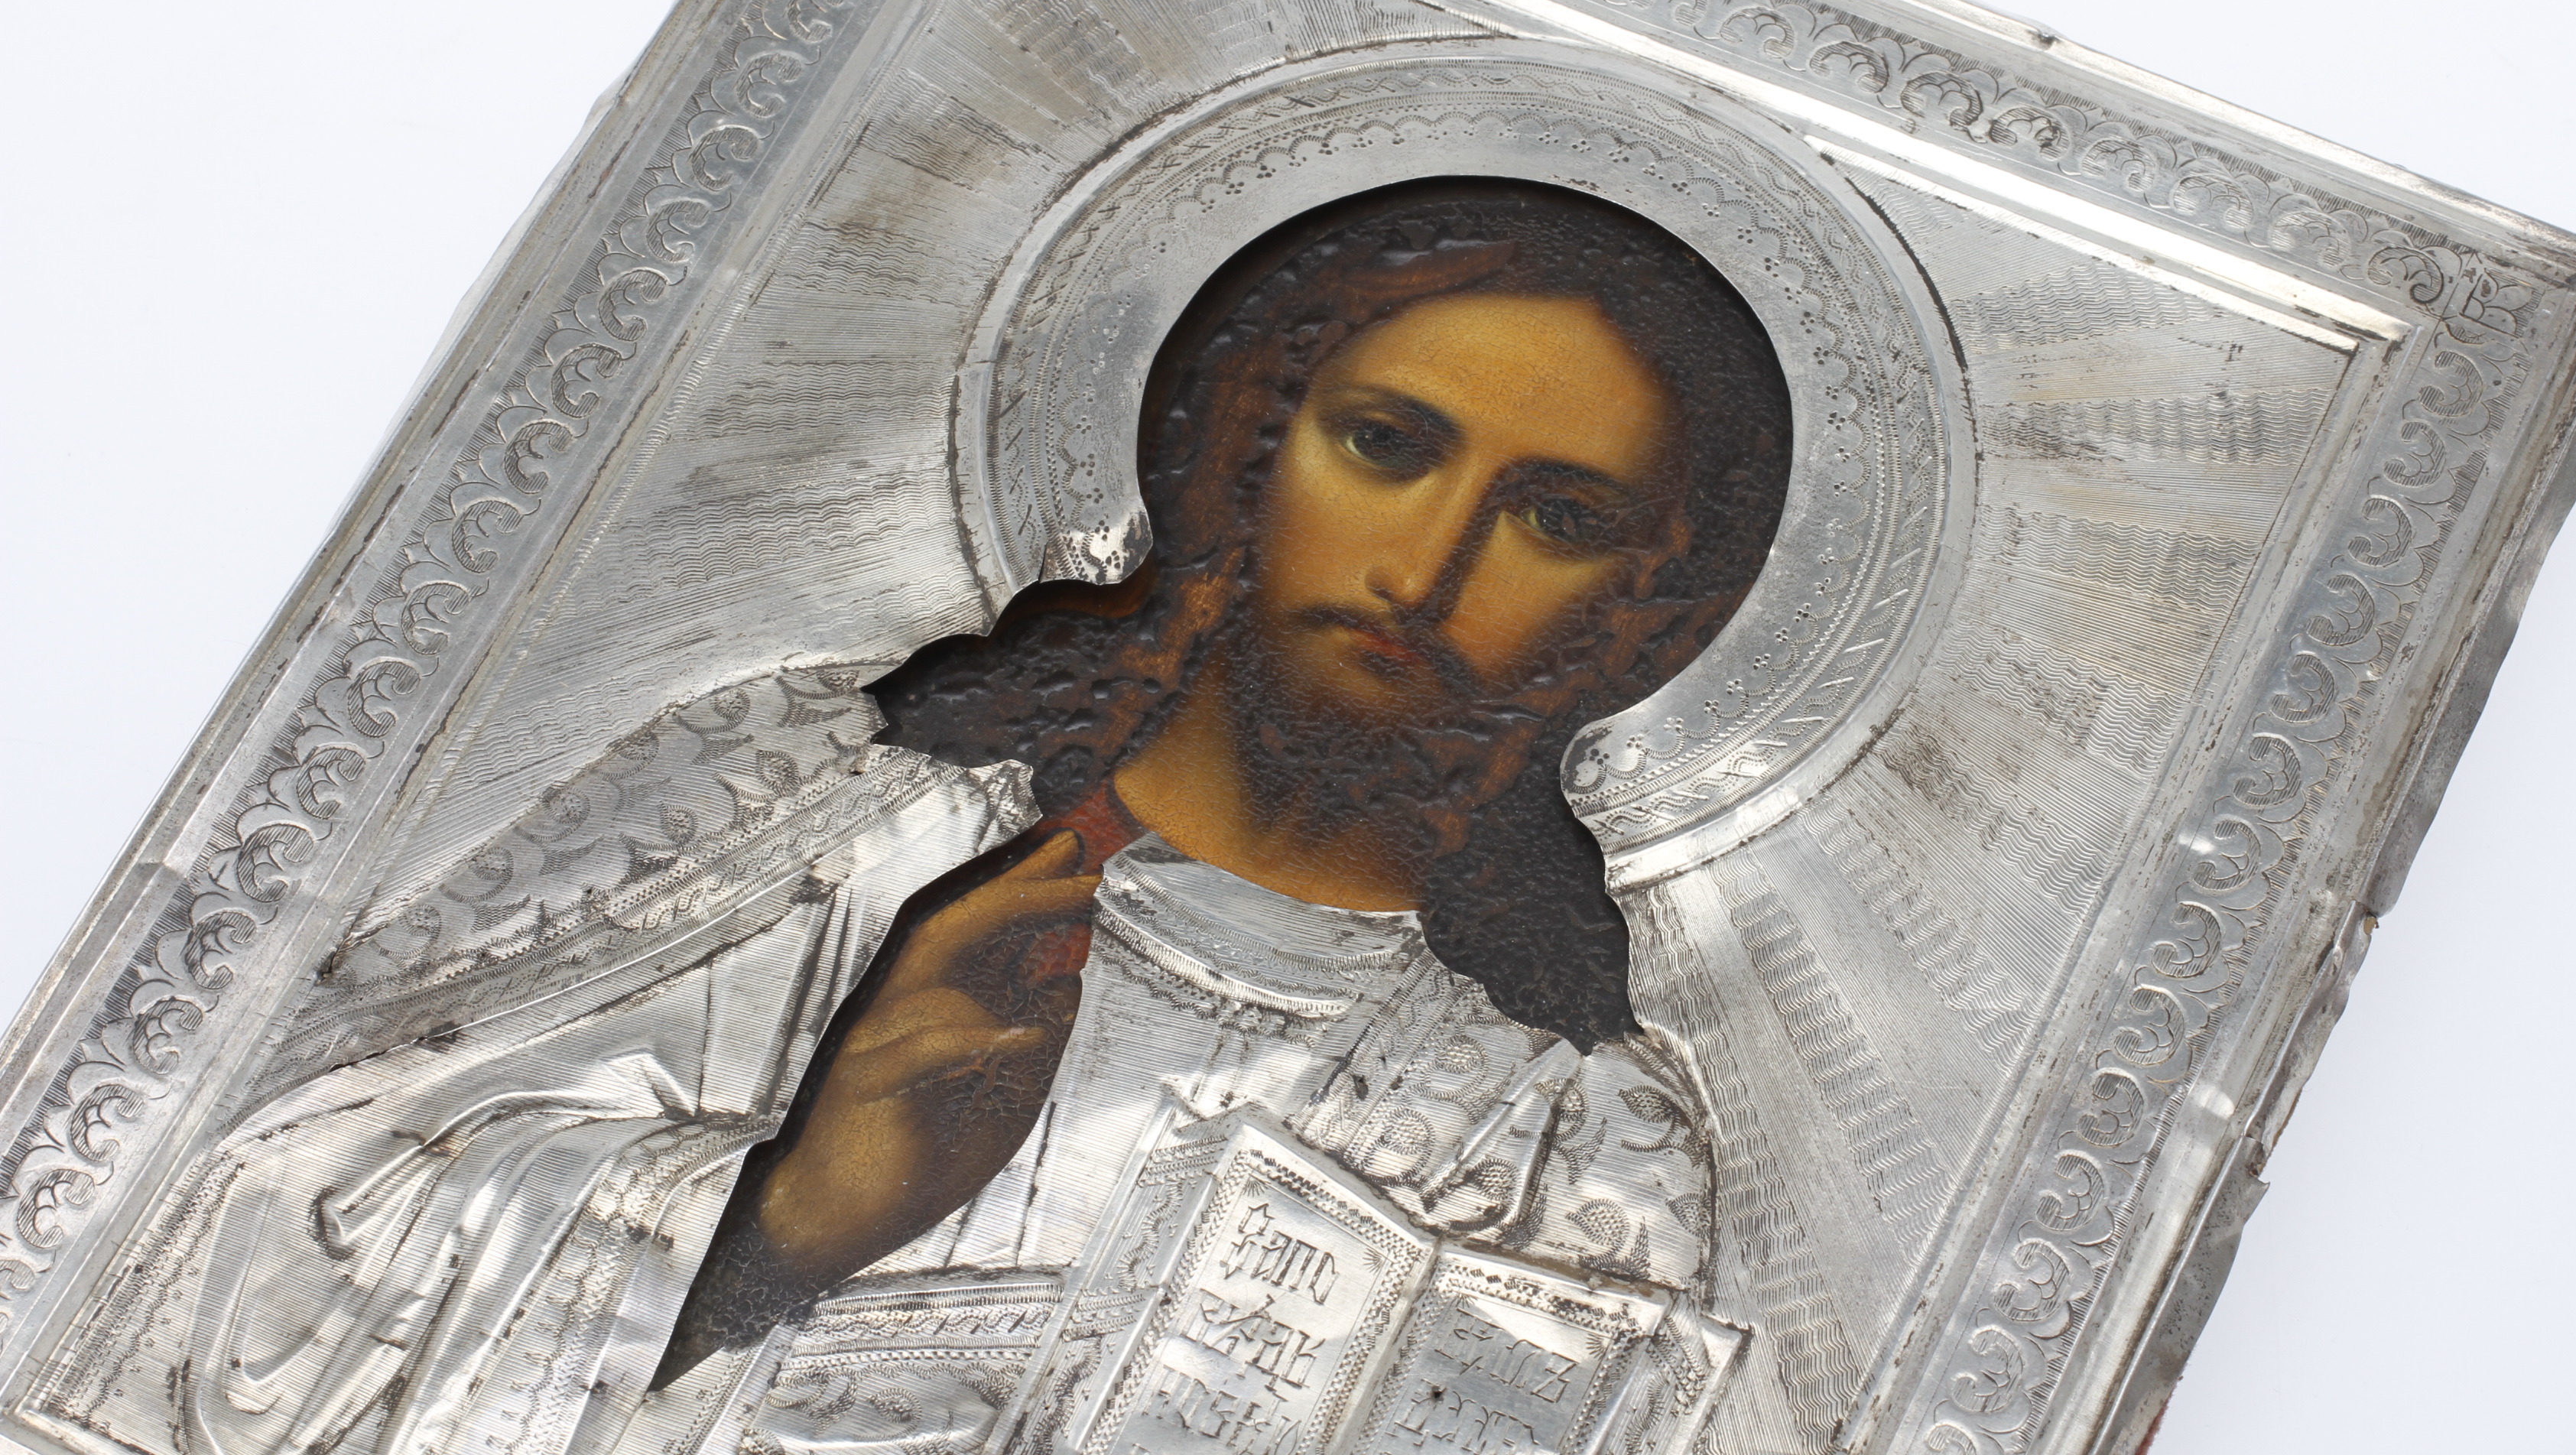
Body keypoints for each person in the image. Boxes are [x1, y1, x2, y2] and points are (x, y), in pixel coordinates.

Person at [45, 180, 1789, 1455]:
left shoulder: (1574, 1139)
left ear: (1643, 617)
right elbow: (209, 1227)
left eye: (1558, 518)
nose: (1429, 566)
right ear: (1248, 453)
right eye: (1388, 445)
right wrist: (781, 1221)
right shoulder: (797, 800)